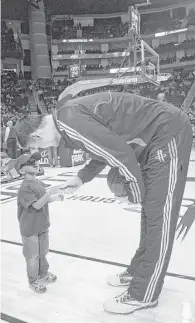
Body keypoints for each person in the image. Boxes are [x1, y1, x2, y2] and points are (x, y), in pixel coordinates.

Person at [14, 91, 193, 313]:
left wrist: (134, 193)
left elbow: (121, 155)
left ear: (37, 136)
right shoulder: (67, 117)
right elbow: (105, 149)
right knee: (151, 215)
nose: (37, 151)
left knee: (159, 216)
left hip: (167, 132)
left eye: (34, 147)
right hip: (157, 135)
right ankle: (138, 271)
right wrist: (81, 177)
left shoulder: (70, 122)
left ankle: (144, 293)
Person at [13, 152, 64, 293]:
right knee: (32, 257)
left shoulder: (39, 183)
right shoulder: (24, 188)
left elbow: (43, 202)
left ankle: (43, 273)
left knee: (43, 252)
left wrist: (54, 198)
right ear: (22, 170)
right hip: (29, 228)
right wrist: (49, 193)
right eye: (30, 163)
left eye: (35, 161)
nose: (35, 163)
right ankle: (33, 280)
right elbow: (35, 205)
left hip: (42, 224)